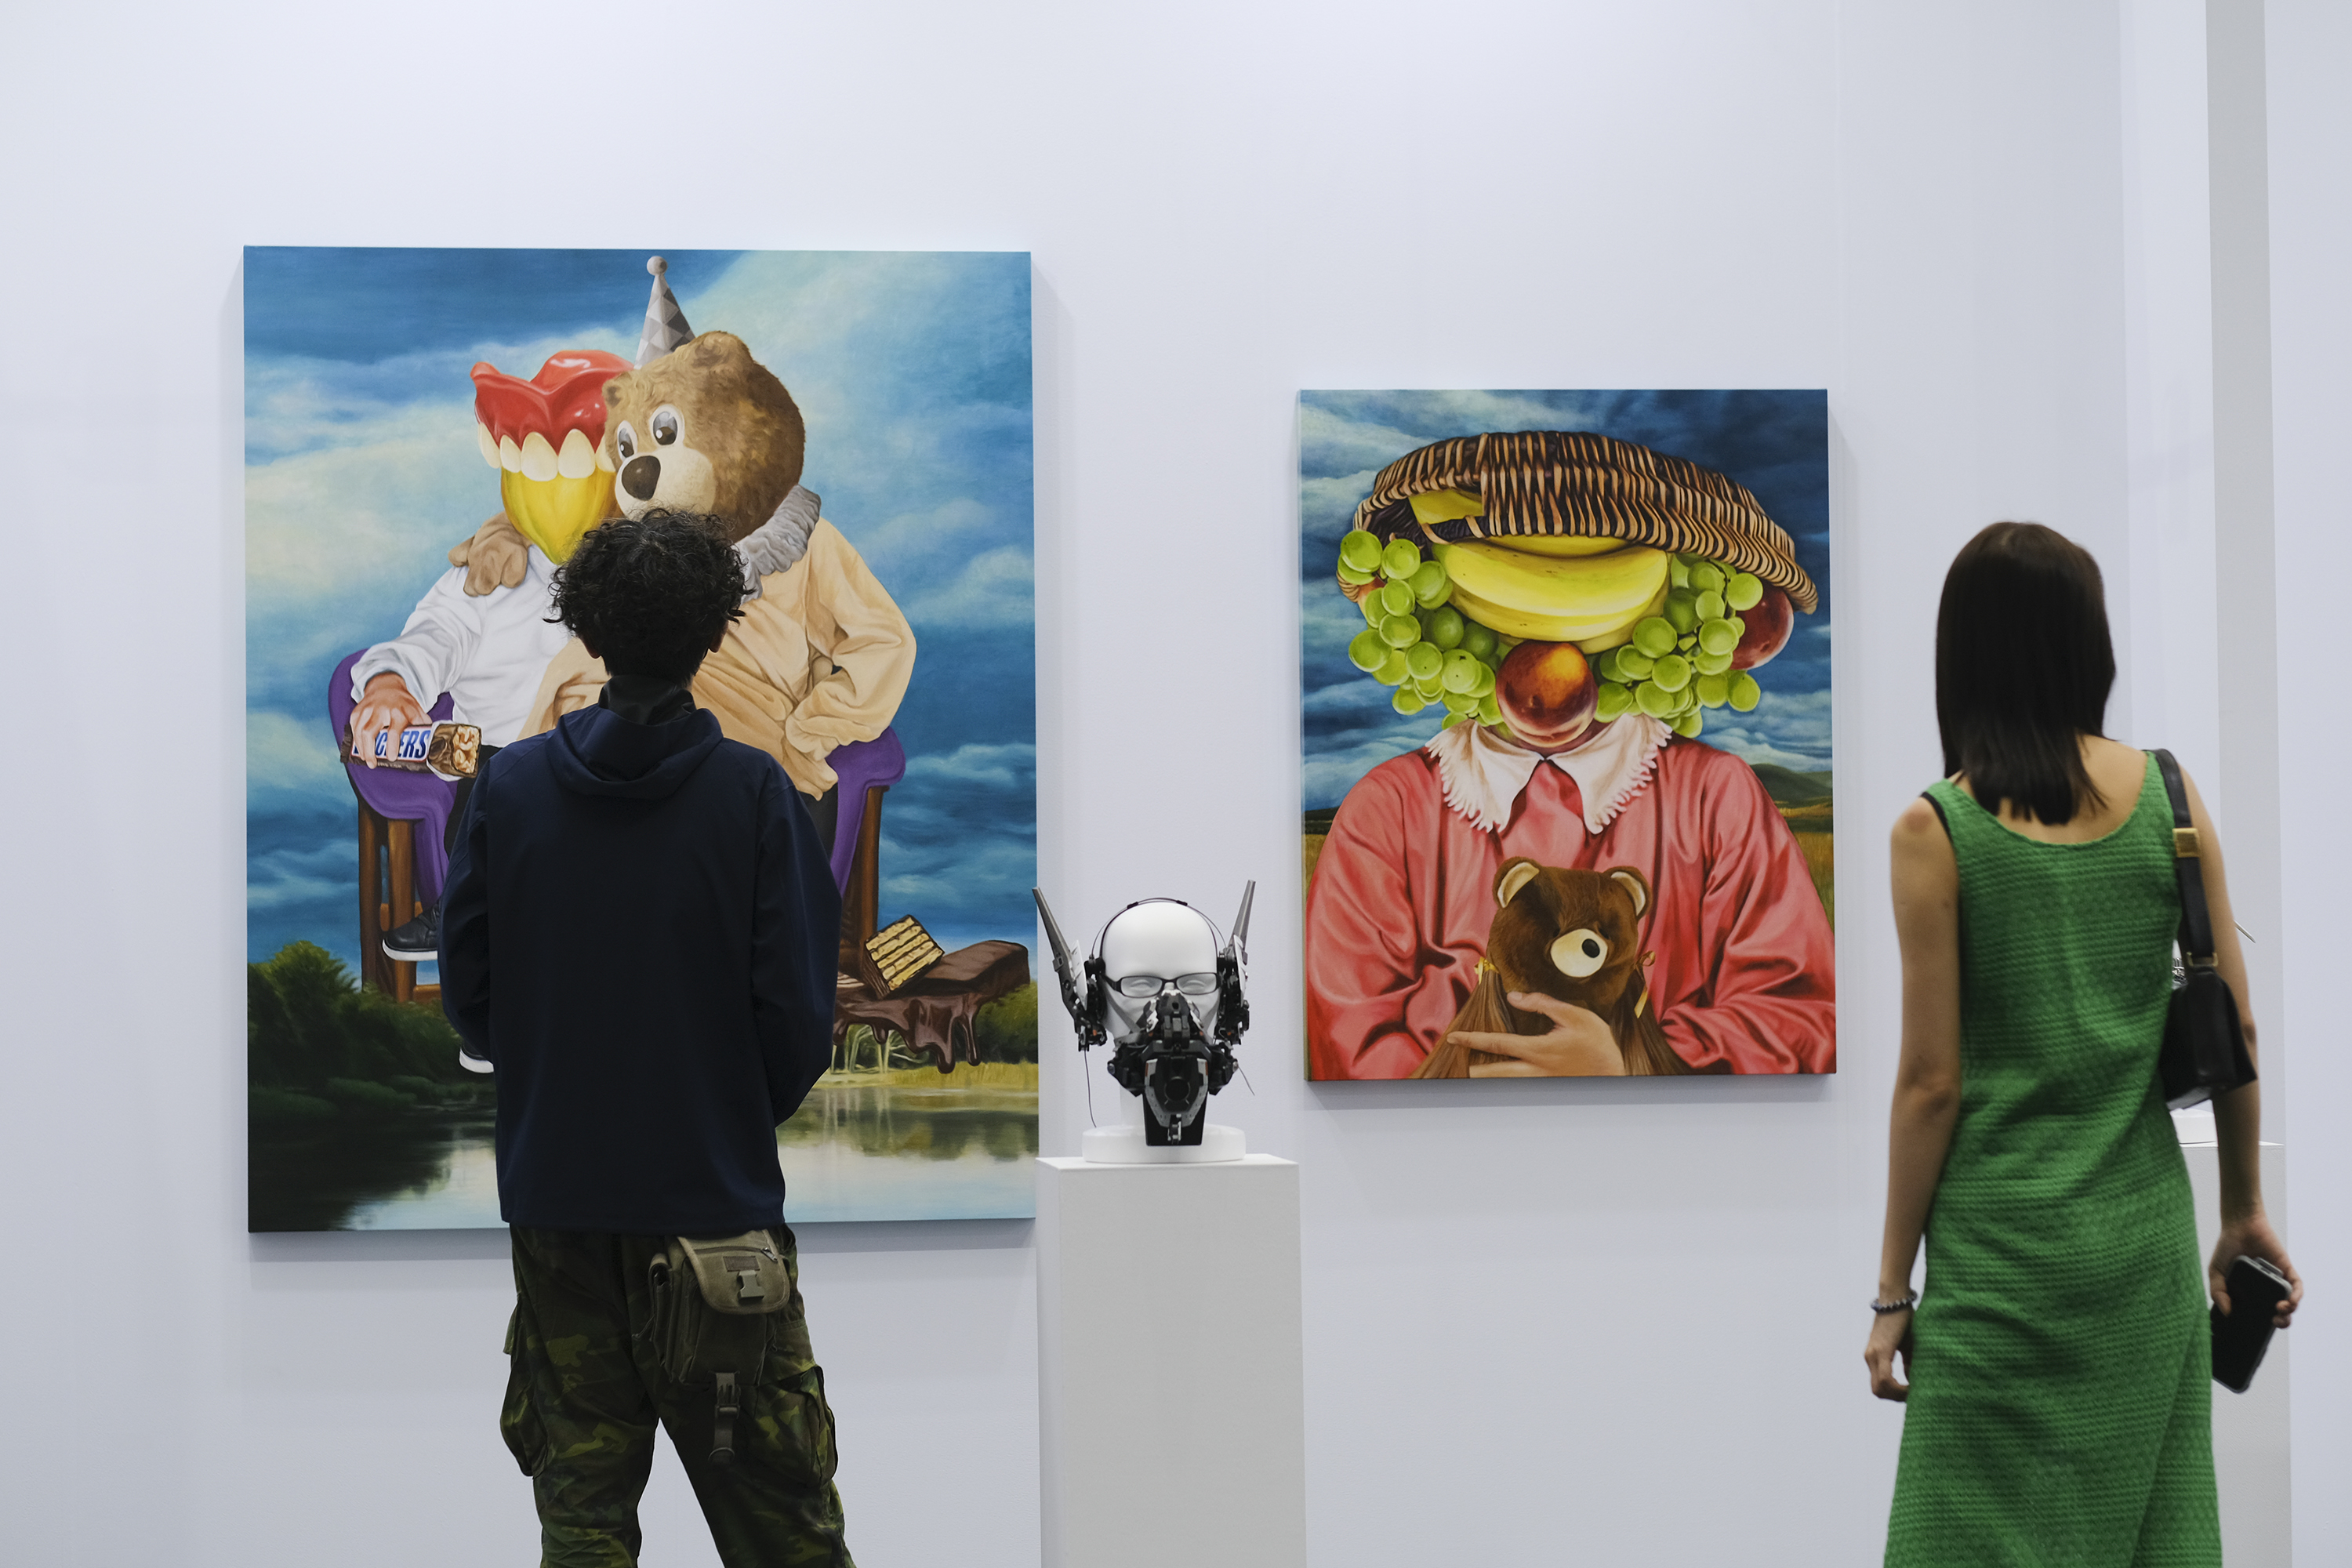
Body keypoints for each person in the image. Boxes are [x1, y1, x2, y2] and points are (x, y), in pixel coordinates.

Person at [1866, 522, 2301, 1563]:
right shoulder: (2169, 794)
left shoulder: (1936, 828)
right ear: (2088, 646)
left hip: (2000, 1265)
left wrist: (1892, 1292)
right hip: (2142, 1252)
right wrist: (2242, 1209)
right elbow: (2234, 1026)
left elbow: (1931, 1084)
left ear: (1963, 653)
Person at [439, 511, 853, 1567]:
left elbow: (471, 997)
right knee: (789, 1538)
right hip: (716, 1218)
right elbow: (798, 1020)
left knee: (583, 1536)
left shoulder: (506, 791)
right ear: (715, 632)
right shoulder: (757, 796)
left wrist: (558, 1082)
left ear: (584, 628)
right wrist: (717, 1113)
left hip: (559, 1213)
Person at [1305, 430, 1836, 1076]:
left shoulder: (1716, 796)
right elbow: (1348, 1030)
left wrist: (1625, 1066)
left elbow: (1795, 1012)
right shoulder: (1388, 810)